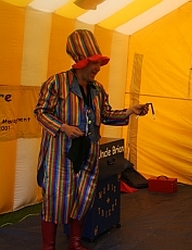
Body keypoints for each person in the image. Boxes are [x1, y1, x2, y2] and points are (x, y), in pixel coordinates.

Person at [34, 29, 149, 250]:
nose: (97, 69)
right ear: (80, 63)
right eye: (94, 64)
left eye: (99, 64)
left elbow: (105, 115)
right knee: (55, 200)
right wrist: (63, 127)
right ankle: (48, 246)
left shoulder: (97, 89)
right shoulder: (56, 83)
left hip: (88, 153)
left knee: (83, 197)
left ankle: (75, 243)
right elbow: (41, 112)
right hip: (60, 155)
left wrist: (129, 111)